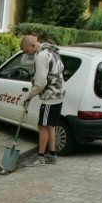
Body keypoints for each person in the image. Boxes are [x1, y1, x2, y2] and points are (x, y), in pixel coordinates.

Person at [20, 35, 65, 166]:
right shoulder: (51, 51)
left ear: (32, 46)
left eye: (27, 51)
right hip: (59, 94)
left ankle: (40, 157)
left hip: (51, 96)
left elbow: (40, 83)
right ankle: (52, 155)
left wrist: (29, 95)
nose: (27, 54)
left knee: (43, 126)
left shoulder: (41, 56)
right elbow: (55, 71)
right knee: (50, 125)